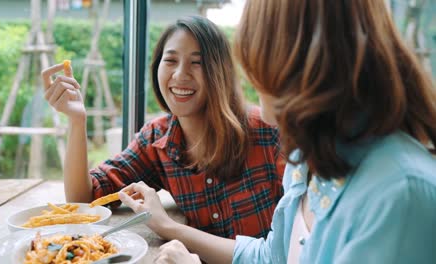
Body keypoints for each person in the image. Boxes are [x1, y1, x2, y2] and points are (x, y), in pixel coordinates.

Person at [119, 1, 436, 263]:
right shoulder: (307, 157)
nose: (267, 115)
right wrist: (174, 231)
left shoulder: (400, 197)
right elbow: (275, 256)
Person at [41, 15, 285, 239]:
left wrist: (167, 227)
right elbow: (84, 199)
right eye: (170, 60)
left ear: (220, 71)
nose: (180, 74)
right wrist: (76, 120)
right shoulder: (157, 140)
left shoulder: (267, 131)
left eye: (197, 63)